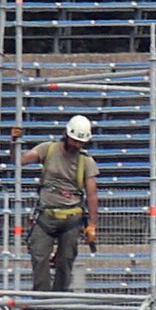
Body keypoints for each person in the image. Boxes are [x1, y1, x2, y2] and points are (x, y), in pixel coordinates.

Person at [18, 114, 99, 292]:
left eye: (81, 142)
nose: (77, 145)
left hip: (71, 219)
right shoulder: (48, 149)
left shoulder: (86, 162)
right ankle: (42, 300)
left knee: (66, 259)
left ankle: (59, 298)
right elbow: (19, 161)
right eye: (75, 140)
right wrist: (13, 142)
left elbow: (92, 194)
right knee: (39, 256)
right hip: (45, 216)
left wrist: (92, 224)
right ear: (66, 135)